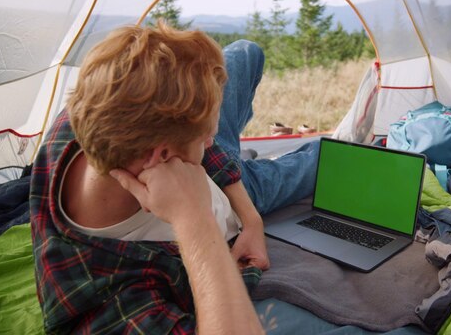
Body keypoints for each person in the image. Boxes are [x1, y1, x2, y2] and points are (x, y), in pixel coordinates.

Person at [29, 21, 319, 333]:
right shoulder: (108, 294)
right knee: (325, 159)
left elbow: (214, 150)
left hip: (229, 187)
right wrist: (194, 218)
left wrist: (252, 222)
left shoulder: (93, 111)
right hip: (248, 194)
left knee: (247, 51)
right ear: (162, 157)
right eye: (204, 137)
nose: (212, 142)